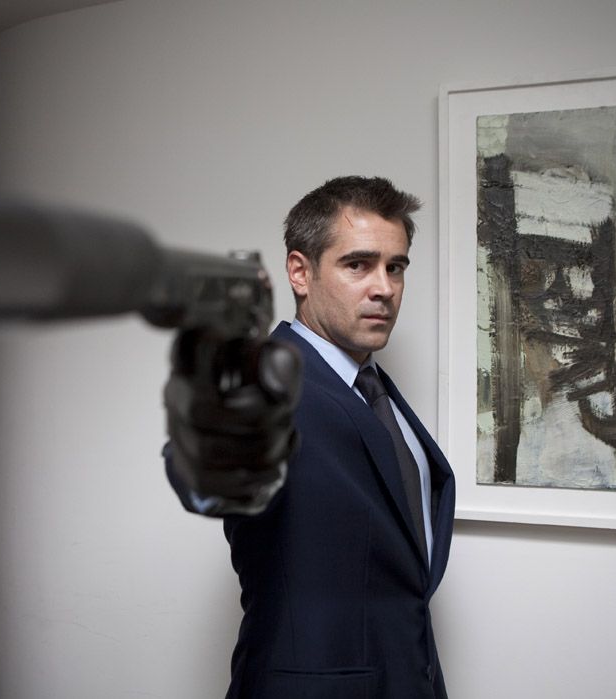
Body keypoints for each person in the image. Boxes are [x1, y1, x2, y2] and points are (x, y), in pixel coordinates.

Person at [165, 176, 456, 698]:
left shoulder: (375, 389)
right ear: (300, 272)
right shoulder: (268, 383)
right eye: (358, 264)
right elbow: (207, 473)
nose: (384, 288)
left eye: (395, 267)